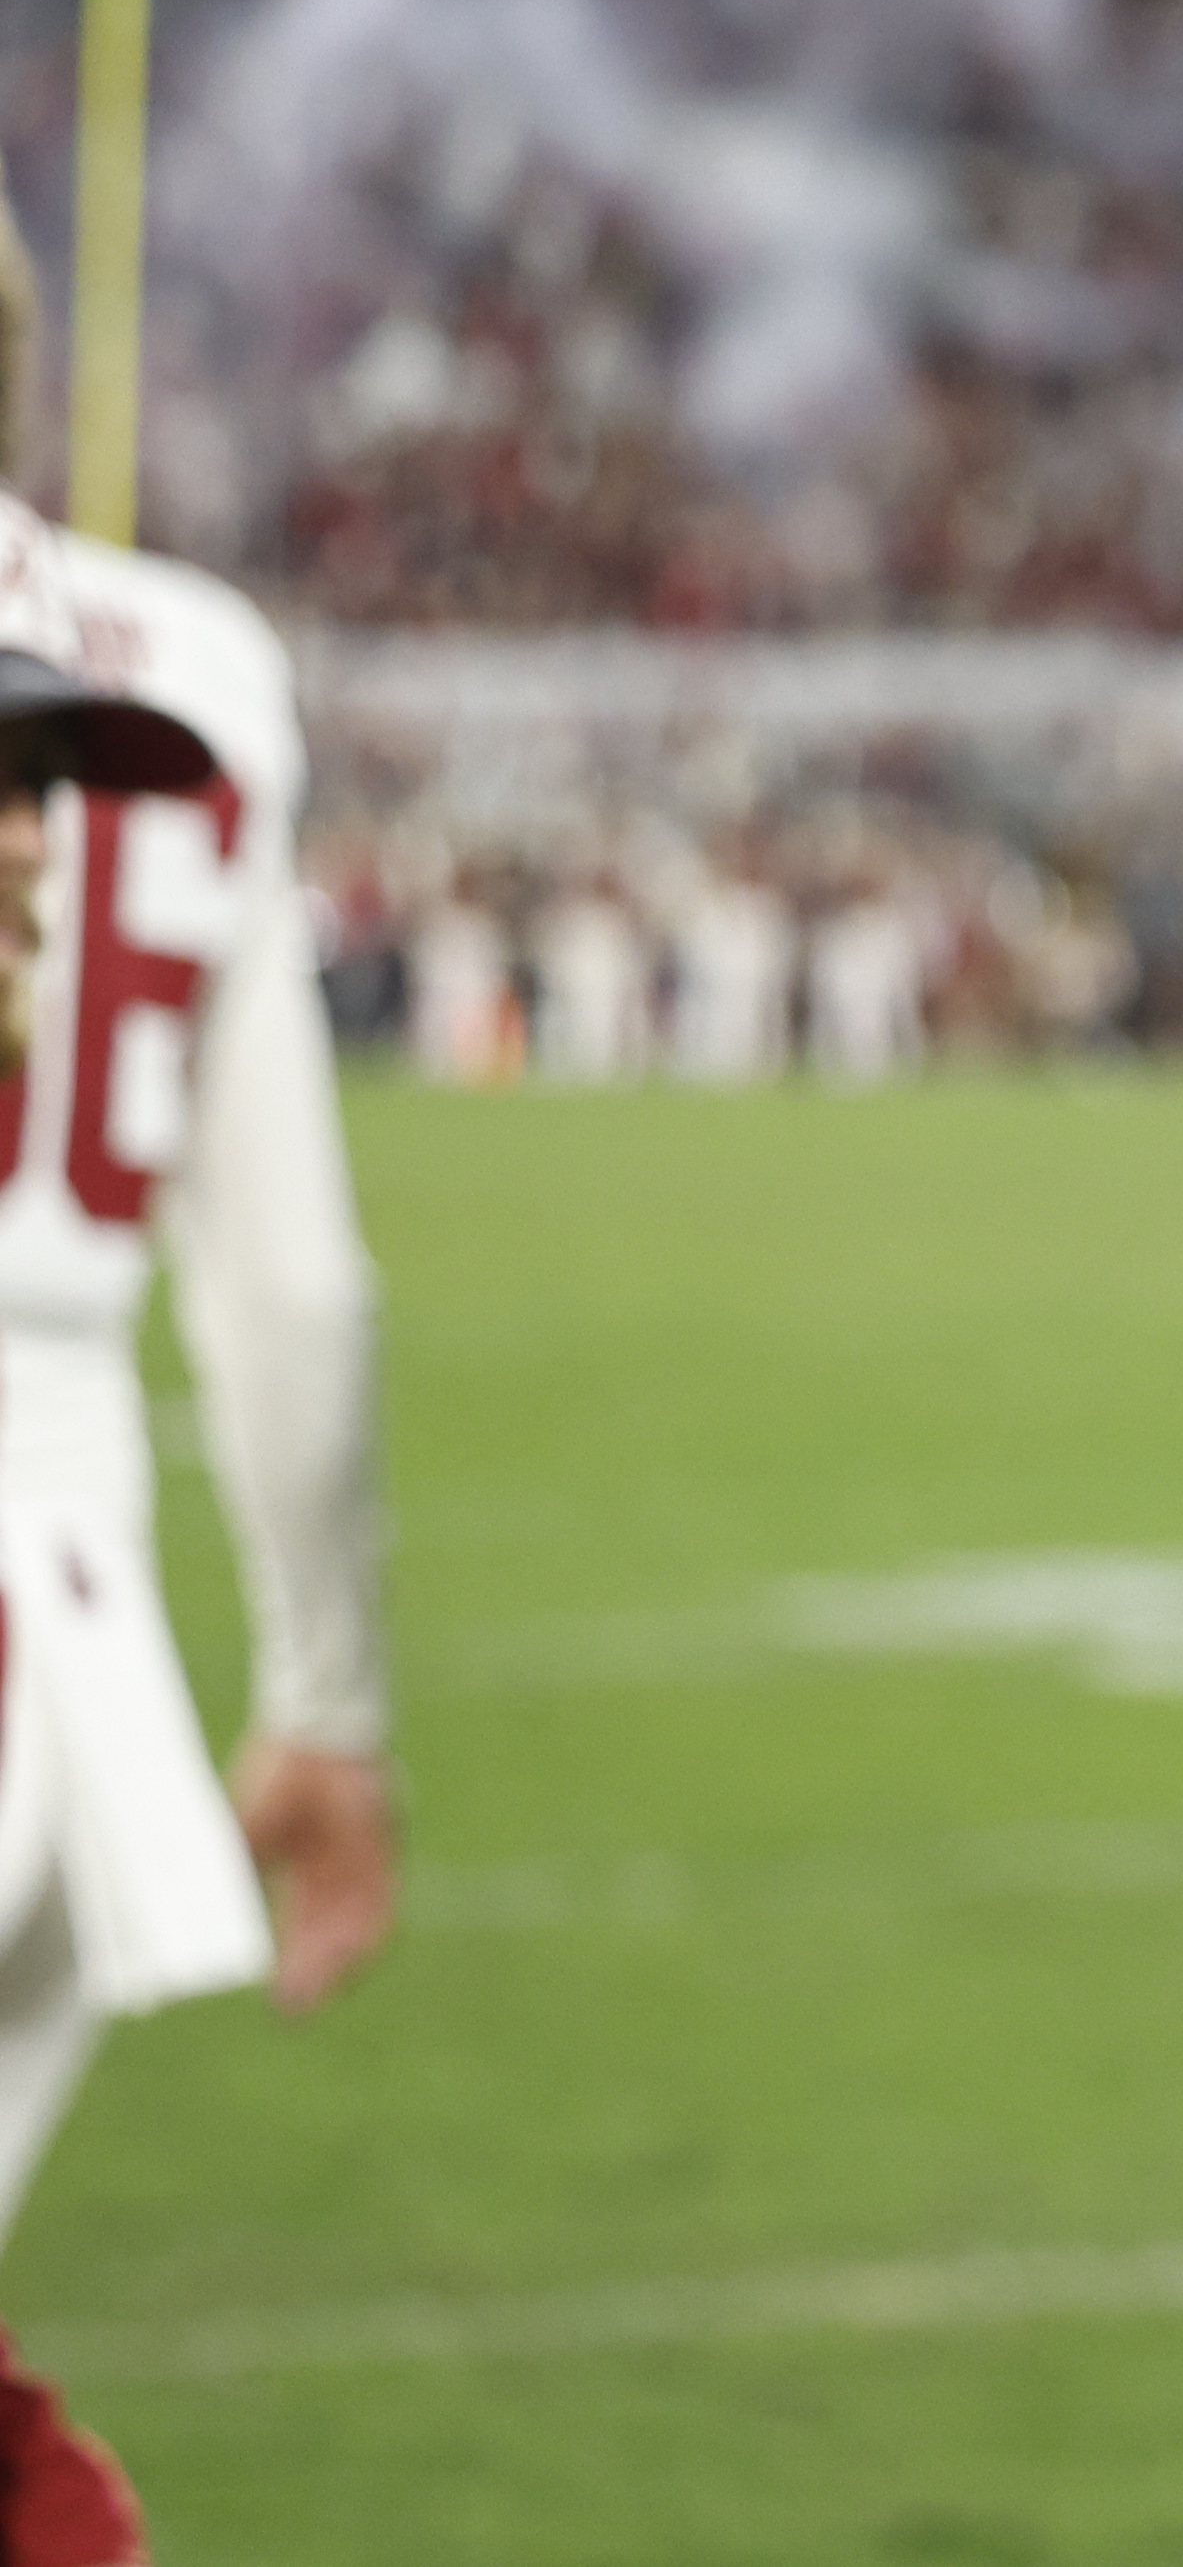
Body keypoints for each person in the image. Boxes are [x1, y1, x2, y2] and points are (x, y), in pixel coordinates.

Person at [0, 355, 398, 2563]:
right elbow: (298, 1291)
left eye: (43, 786)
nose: (37, 846)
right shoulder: (205, 667)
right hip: (86, 1611)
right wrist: (327, 1690)